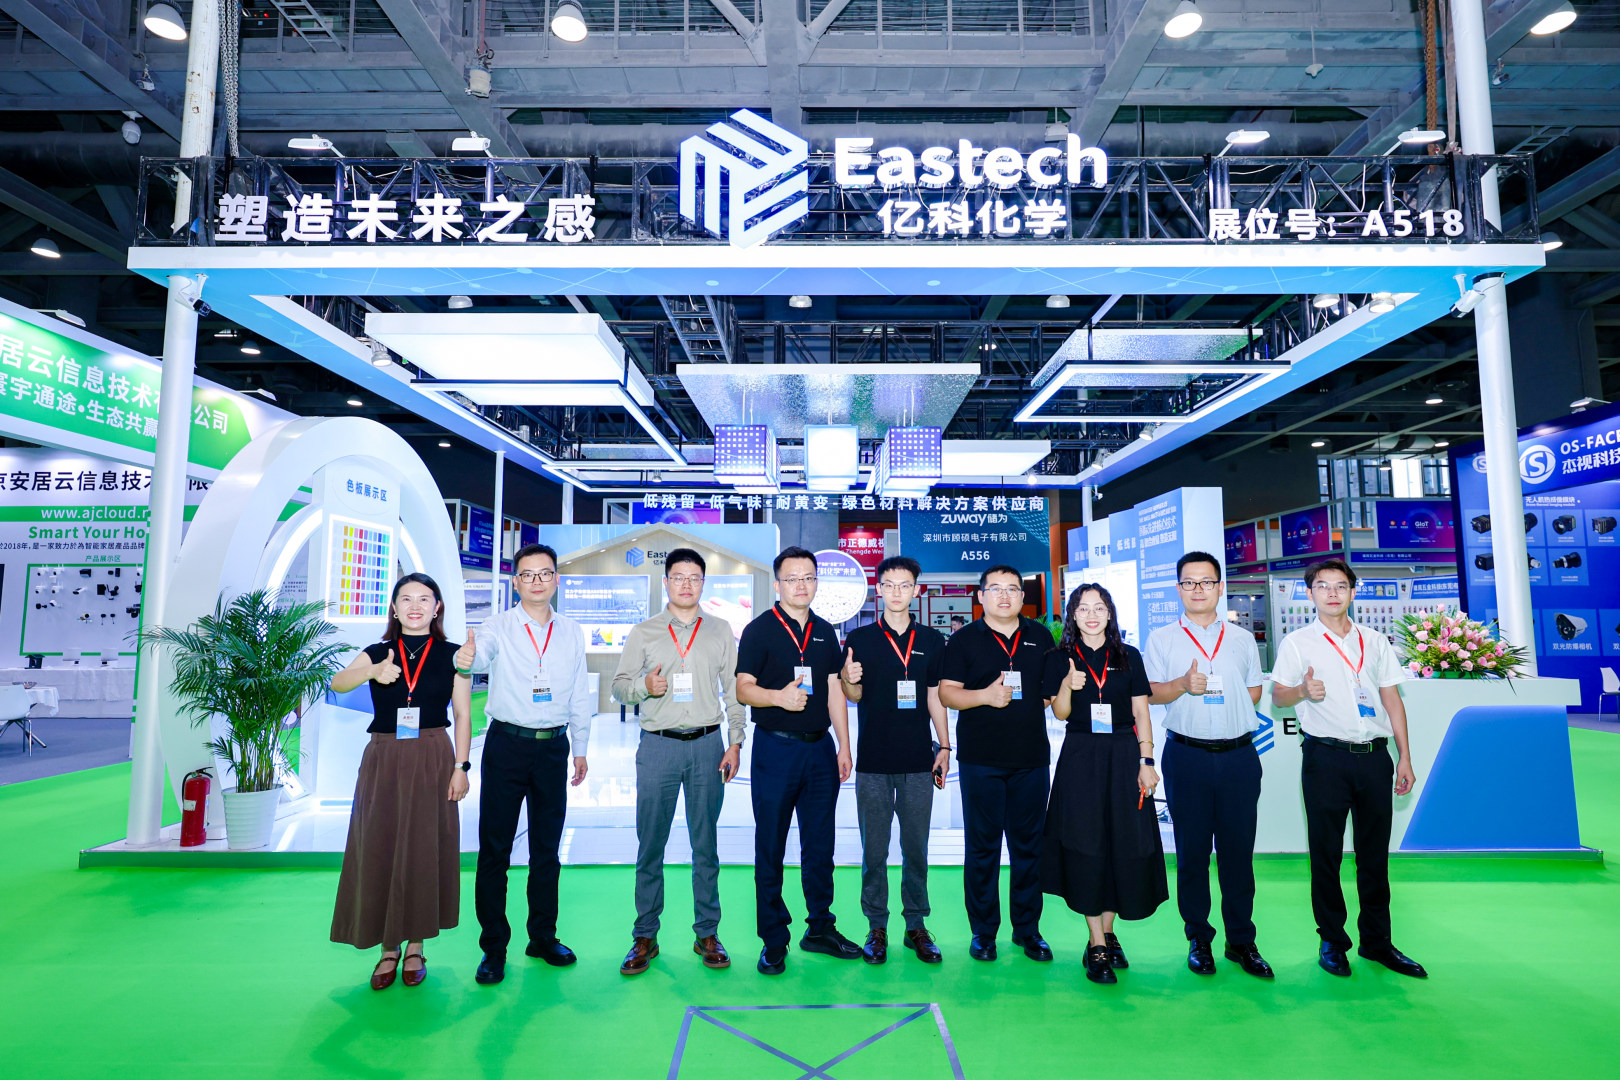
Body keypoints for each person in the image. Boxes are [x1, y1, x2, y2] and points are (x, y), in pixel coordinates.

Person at [1271, 558, 1426, 979]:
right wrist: (1302, 690)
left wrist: (1404, 756)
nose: (1333, 593)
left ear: (1353, 593)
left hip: (1375, 757)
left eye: (1341, 586)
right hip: (1325, 758)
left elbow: (1392, 700)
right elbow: (1279, 697)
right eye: (1323, 586)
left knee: (1374, 856)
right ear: (1310, 594)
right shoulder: (1297, 643)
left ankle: (1377, 942)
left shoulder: (1374, 641)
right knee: (1326, 855)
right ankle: (1332, 941)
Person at [456, 543, 592, 987]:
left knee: (546, 851)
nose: (537, 581)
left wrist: (580, 747)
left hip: (553, 748)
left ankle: (543, 937)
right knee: (495, 850)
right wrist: (466, 657)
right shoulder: (496, 626)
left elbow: (579, 693)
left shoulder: (571, 631)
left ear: (556, 580)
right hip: (507, 747)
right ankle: (494, 948)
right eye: (528, 574)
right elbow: (479, 655)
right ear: (516, 582)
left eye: (545, 573)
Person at [330, 573, 472, 990]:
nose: (415, 606)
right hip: (384, 757)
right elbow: (338, 683)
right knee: (379, 845)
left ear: (437, 607)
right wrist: (373, 671)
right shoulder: (377, 652)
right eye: (406, 599)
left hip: (433, 755)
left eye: (424, 599)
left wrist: (461, 767)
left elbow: (463, 714)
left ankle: (416, 945)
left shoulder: (454, 654)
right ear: (393, 607)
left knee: (425, 847)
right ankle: (387, 948)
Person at [610, 547, 745, 976]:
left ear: (703, 583)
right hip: (658, 747)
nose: (686, 584)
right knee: (650, 845)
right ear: (666, 581)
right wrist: (643, 687)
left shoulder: (720, 630)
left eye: (694, 577)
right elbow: (618, 686)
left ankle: (707, 932)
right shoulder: (644, 632)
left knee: (705, 845)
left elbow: (734, 691)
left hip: (707, 746)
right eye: (678, 577)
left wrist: (735, 742)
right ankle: (645, 935)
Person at [1145, 552, 1272, 979]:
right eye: (1189, 582)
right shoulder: (1162, 638)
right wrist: (1183, 685)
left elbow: (1254, 691)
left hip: (1238, 757)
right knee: (1192, 854)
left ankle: (1241, 940)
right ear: (1178, 589)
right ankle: (1198, 938)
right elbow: (1151, 693)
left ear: (1220, 587)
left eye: (1206, 582)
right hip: (1187, 756)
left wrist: (1224, 705)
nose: (1198, 589)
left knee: (1238, 853)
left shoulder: (1241, 639)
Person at [735, 546, 858, 974]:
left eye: (808, 577)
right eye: (792, 578)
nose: (801, 585)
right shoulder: (759, 630)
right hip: (776, 749)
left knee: (820, 845)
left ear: (817, 582)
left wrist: (844, 745)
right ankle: (773, 939)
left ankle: (820, 927)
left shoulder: (826, 632)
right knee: (770, 845)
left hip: (819, 750)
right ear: (777, 584)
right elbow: (743, 688)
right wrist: (777, 698)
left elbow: (834, 690)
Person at [1041, 583, 1166, 985]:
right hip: (1081, 756)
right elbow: (1061, 713)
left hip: (1124, 754)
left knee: (1121, 843)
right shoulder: (1058, 658)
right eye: (1083, 608)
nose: (1091, 615)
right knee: (1087, 845)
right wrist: (1067, 685)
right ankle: (1096, 942)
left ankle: (1109, 933)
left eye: (1099, 608)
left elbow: (1141, 712)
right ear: (1073, 615)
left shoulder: (1128, 656)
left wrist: (1147, 760)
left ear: (1109, 614)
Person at [839, 556, 951, 964]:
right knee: (874, 850)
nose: (897, 592)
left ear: (916, 590)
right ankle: (876, 926)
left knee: (915, 847)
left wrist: (945, 746)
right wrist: (849, 680)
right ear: (879, 590)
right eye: (890, 585)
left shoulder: (933, 641)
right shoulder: (860, 638)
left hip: (919, 760)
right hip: (873, 761)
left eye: (905, 585)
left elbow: (935, 696)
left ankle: (916, 925)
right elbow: (853, 696)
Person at [939, 565, 1054, 963]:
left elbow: (1048, 694)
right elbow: (948, 694)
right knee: (982, 849)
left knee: (1029, 849)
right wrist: (985, 697)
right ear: (981, 596)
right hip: (981, 761)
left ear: (1022, 596)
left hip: (1031, 760)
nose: (1004, 596)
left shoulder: (1040, 637)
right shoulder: (964, 640)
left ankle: (1028, 930)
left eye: (1012, 589)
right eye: (996, 589)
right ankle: (984, 932)